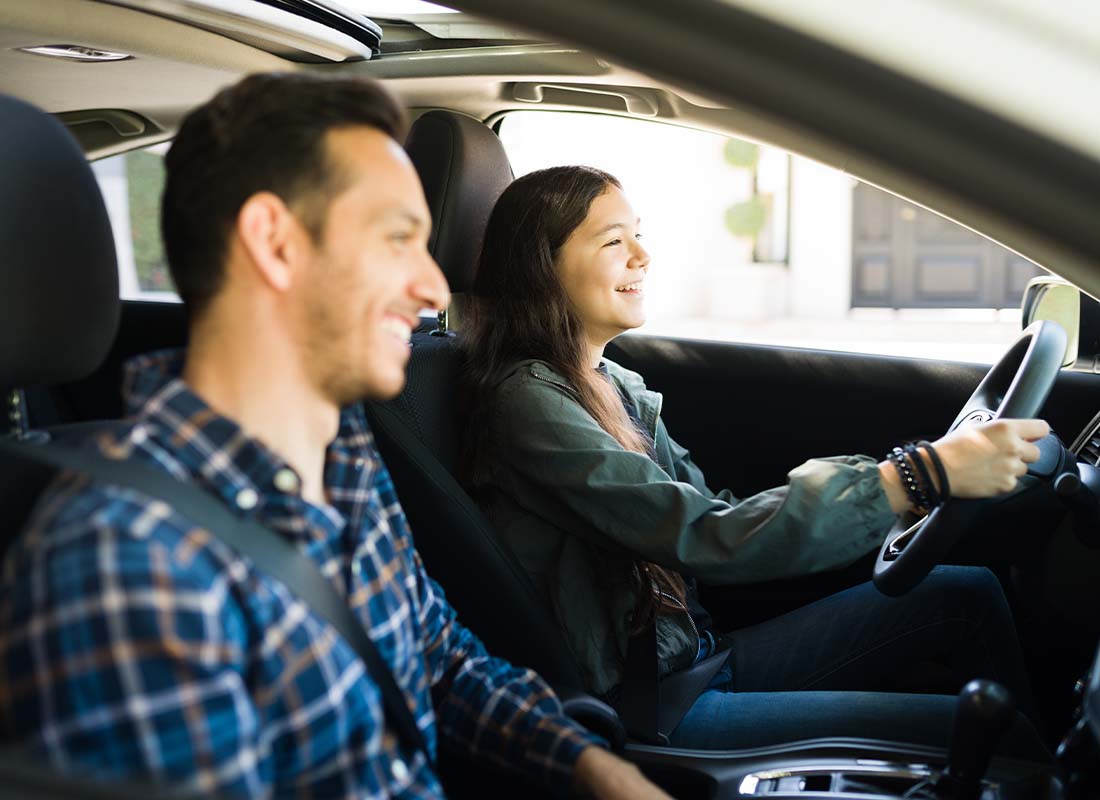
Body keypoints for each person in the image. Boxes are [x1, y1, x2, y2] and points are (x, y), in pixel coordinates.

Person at [0, 78, 671, 799]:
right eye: (396, 240)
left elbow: (441, 665)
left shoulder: (343, 460)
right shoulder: (128, 566)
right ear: (276, 243)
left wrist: (589, 766)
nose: (430, 284)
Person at [461, 164, 1050, 753]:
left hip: (695, 657)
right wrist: (916, 476)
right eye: (613, 241)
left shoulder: (610, 383)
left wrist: (892, 483)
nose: (642, 254)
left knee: (964, 594)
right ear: (543, 266)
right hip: (649, 703)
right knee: (1003, 739)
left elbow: (715, 510)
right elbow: (707, 535)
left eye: (638, 233)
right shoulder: (529, 403)